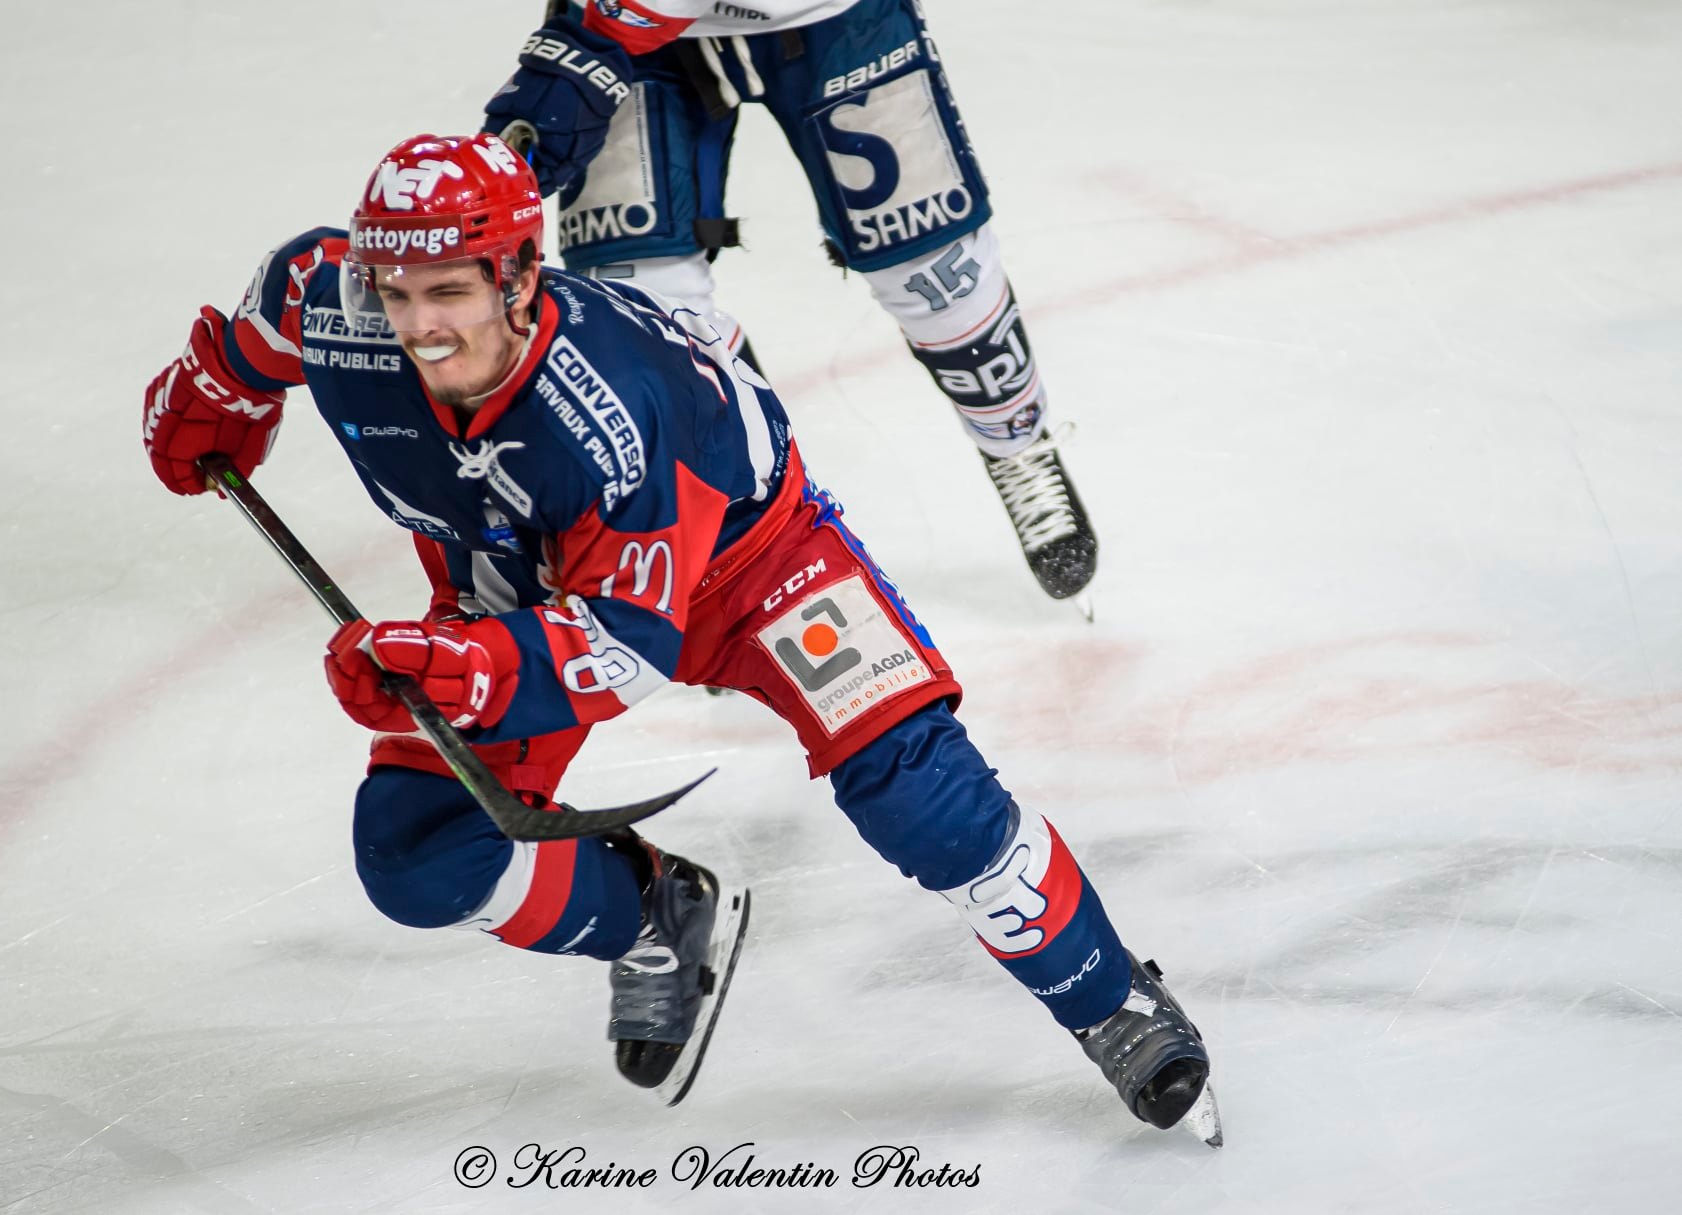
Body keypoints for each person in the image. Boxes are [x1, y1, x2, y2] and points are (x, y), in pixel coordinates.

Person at [140, 133, 1217, 1135]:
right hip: (512, 583)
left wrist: (465, 671)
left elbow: (621, 650)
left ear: (518, 276)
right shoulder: (327, 297)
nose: (419, 326)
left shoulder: (614, 397)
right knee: (416, 854)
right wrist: (213, 393)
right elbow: (259, 331)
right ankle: (655, 909)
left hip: (754, 566)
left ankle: (1104, 992)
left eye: (451, 293)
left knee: (914, 787)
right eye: (399, 292)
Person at [480, 0, 1099, 605]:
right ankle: (743, 509)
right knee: (641, 302)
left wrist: (595, 38)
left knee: (935, 272)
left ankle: (1015, 440)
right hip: (632, 33)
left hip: (828, 16)